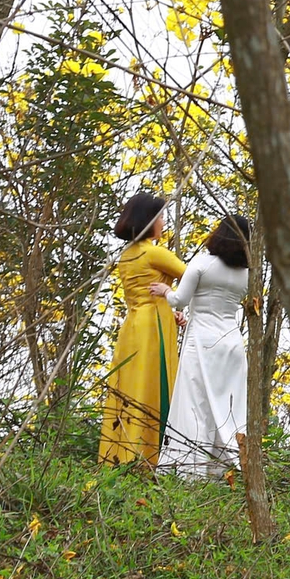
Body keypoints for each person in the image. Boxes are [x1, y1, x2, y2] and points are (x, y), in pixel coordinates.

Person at [157, 214, 251, 481]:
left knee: (195, 403)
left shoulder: (202, 263)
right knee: (228, 409)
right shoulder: (246, 274)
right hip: (232, 343)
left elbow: (179, 300)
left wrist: (164, 290)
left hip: (201, 343)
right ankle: (227, 470)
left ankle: (189, 470)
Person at [99, 192, 186, 468]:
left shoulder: (126, 256)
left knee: (131, 386)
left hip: (133, 326)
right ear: (149, 221)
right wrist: (172, 296)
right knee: (153, 387)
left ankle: (121, 454)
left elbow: (144, 293)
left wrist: (169, 308)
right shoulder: (154, 252)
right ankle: (150, 456)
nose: (163, 222)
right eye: (160, 217)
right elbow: (194, 277)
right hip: (153, 330)